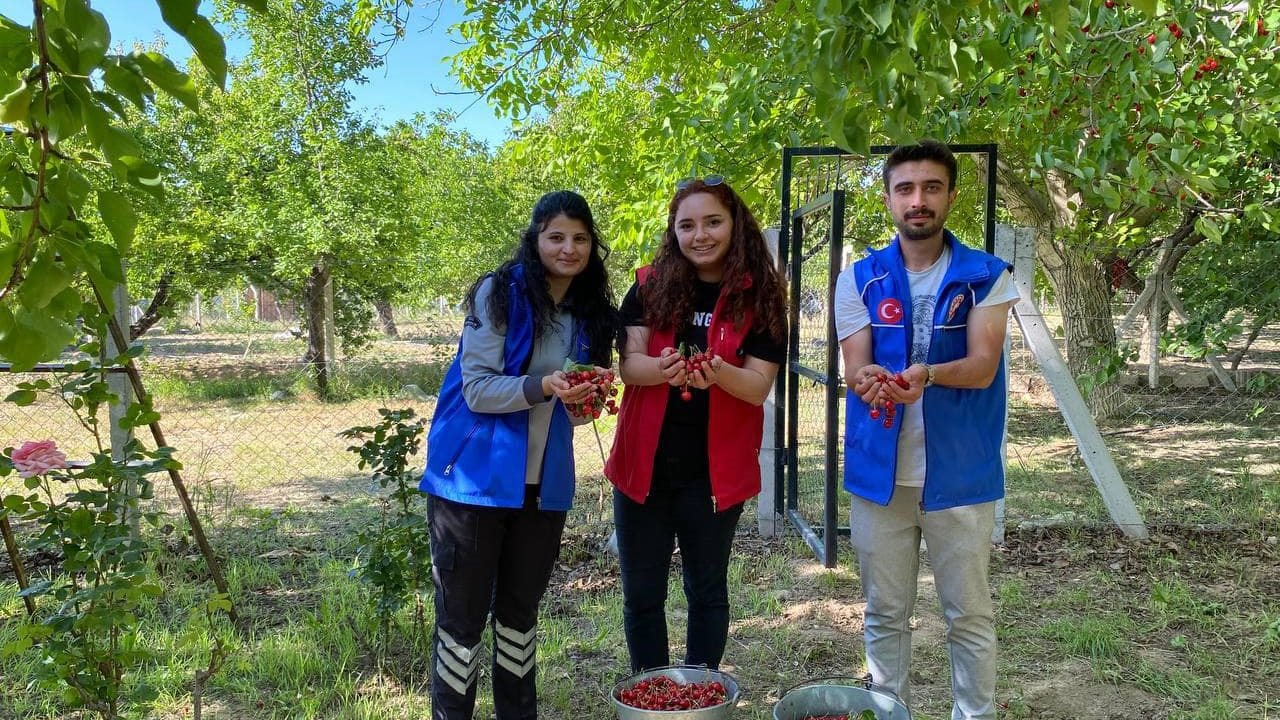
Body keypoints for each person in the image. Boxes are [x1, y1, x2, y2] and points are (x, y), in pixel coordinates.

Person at [835, 140, 1019, 720]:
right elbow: (854, 366)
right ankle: (889, 713)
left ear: (950, 196)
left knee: (967, 614)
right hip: (880, 476)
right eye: (906, 188)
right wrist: (867, 379)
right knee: (884, 613)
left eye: (931, 188)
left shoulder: (987, 276)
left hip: (960, 475)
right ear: (889, 197)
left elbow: (983, 363)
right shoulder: (858, 278)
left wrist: (929, 374)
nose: (919, 201)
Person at [420, 190, 618, 720]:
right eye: (556, 236)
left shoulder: (590, 311)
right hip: (475, 480)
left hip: (542, 483)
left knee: (519, 616)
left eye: (580, 238)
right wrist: (544, 387)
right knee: (461, 623)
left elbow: (574, 411)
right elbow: (478, 389)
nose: (569, 248)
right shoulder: (498, 294)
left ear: (592, 246)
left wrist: (587, 394)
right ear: (535, 239)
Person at [605, 176, 787, 672]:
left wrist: (718, 373)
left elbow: (756, 387)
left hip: (713, 475)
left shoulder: (761, 298)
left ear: (735, 226)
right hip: (643, 469)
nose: (699, 235)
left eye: (712, 222)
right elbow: (629, 366)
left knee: (706, 589)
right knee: (642, 593)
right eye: (687, 225)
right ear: (673, 230)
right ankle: (652, 692)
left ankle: (699, 693)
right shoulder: (648, 285)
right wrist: (667, 369)